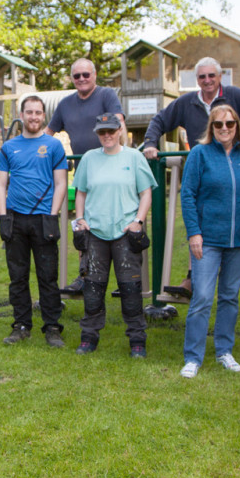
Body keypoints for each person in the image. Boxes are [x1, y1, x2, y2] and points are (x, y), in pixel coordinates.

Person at [141, 56, 240, 295]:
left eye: (211, 76)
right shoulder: (187, 103)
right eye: (202, 77)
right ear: (197, 79)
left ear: (220, 76)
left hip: (235, 165)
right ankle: (194, 276)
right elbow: (160, 120)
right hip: (204, 169)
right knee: (200, 218)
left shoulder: (235, 96)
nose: (207, 81)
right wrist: (151, 143)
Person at [178, 105, 240, 378]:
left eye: (230, 123)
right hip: (208, 239)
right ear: (211, 128)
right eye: (218, 124)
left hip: (238, 240)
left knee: (229, 297)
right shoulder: (199, 154)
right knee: (201, 297)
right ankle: (193, 357)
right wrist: (194, 233)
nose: (224, 128)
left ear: (238, 126)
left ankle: (224, 351)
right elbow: (188, 195)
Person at [72, 113, 156, 357]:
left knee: (131, 289)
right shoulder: (89, 158)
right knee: (92, 289)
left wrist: (138, 221)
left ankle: (137, 340)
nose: (107, 135)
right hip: (95, 232)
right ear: (97, 133)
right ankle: (89, 338)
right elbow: (81, 192)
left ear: (120, 130)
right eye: (102, 132)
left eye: (111, 130)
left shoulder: (134, 157)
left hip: (124, 232)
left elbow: (146, 193)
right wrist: (80, 219)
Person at [0, 95, 69, 347]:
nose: (34, 117)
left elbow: (61, 183)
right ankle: (21, 325)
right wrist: (3, 216)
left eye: (38, 112)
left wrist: (53, 215)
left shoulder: (54, 146)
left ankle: (52, 327)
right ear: (22, 115)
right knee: (18, 275)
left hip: (43, 220)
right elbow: (0, 183)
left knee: (48, 276)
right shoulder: (9, 147)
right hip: (15, 219)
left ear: (44, 116)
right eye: (29, 112)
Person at [46, 57, 125, 293]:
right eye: (76, 76)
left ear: (94, 75)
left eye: (86, 75)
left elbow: (118, 122)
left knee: (121, 218)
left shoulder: (106, 95)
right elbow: (49, 133)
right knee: (84, 222)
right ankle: (85, 274)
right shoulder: (65, 103)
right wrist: (38, 153)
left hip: (111, 166)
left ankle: (127, 278)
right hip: (84, 170)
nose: (81, 79)